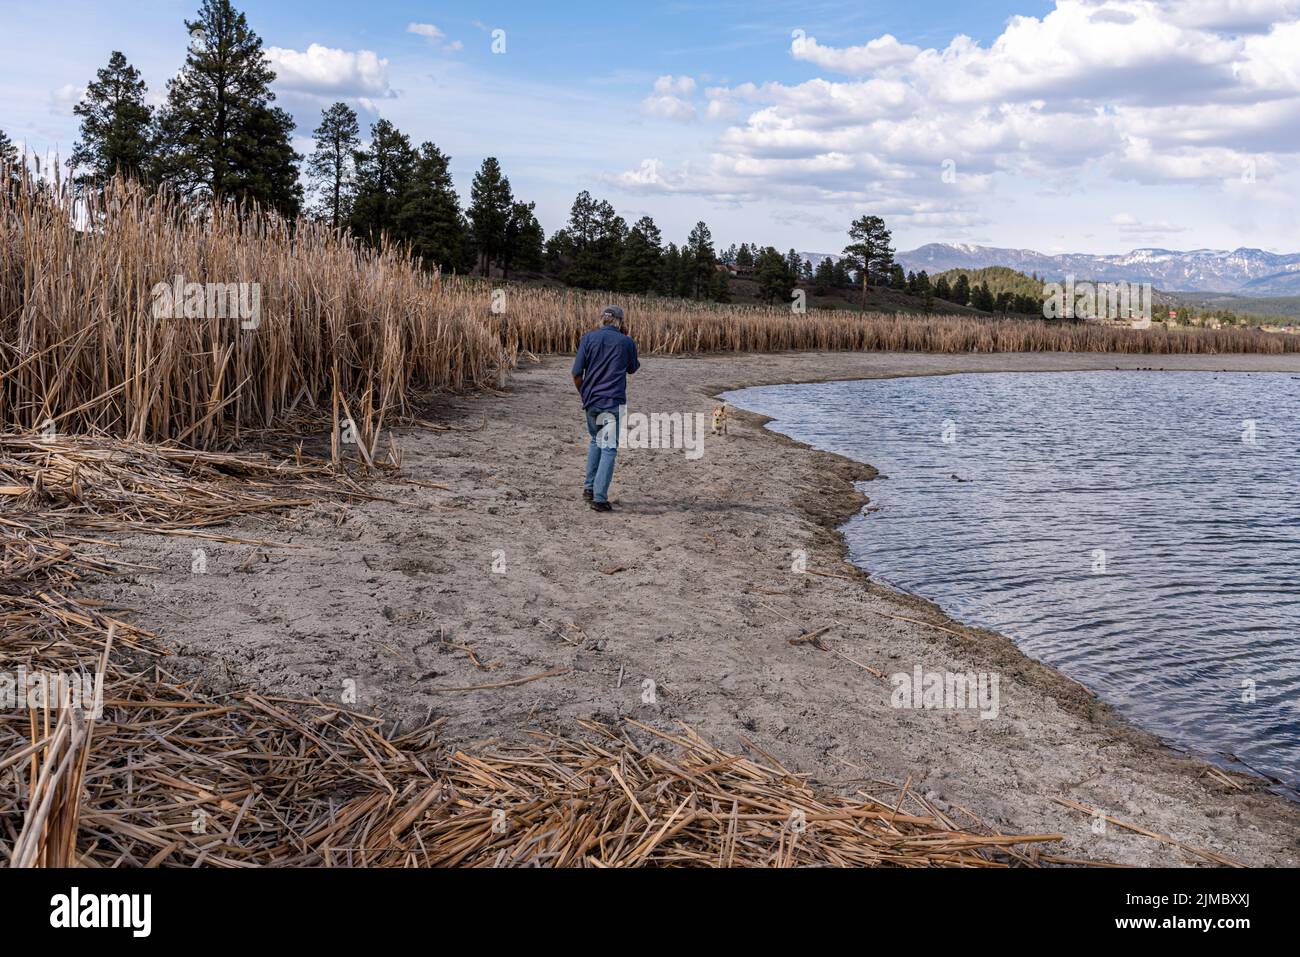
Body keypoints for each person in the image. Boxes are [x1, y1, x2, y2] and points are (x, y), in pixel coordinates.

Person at [571, 305, 639, 512]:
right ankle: (599, 498)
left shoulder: (588, 338)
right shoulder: (626, 341)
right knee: (608, 448)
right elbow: (632, 368)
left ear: (602, 319)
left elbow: (576, 373)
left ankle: (589, 488)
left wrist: (585, 394)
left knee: (596, 441)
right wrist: (626, 339)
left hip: (591, 401)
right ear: (620, 322)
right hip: (612, 402)